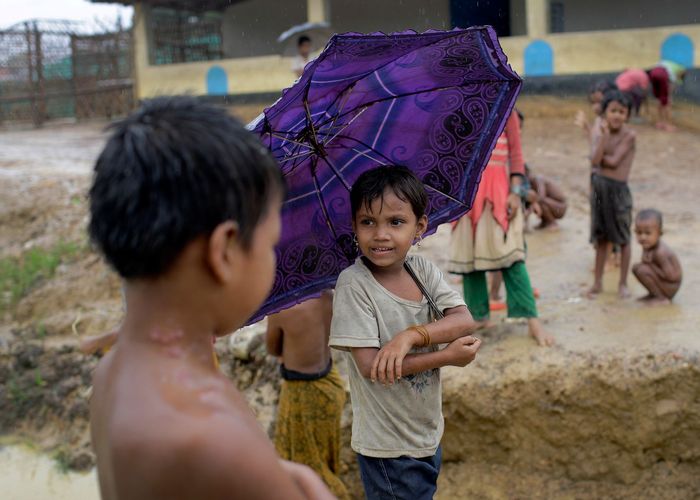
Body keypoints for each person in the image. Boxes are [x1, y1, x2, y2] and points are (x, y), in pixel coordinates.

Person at [87, 96, 333, 500]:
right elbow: (220, 459)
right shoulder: (212, 436)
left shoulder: (110, 374)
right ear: (224, 252)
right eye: (271, 244)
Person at [329, 166, 481, 500]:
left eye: (395, 222)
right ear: (354, 227)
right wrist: (446, 357)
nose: (380, 234)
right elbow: (372, 368)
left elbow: (463, 319)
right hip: (388, 446)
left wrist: (411, 335)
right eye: (368, 222)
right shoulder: (355, 284)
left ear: (420, 227)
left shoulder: (422, 270)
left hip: (425, 432)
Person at [449, 110, 554, 347]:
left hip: (499, 191)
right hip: (467, 191)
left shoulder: (507, 109)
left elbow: (516, 156)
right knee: (471, 261)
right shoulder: (460, 105)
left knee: (512, 258)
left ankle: (532, 320)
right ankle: (478, 317)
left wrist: (516, 194)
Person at [266, 291, 349, 499]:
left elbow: (272, 348)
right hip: (331, 385)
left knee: (307, 470)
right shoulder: (328, 296)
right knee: (324, 461)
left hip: (302, 393)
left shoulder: (282, 307)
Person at [587, 91, 636, 299]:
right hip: (600, 189)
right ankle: (597, 283)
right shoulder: (602, 133)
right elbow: (594, 161)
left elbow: (613, 161)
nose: (617, 115)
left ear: (627, 115)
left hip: (618, 190)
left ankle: (622, 284)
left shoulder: (629, 135)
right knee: (601, 239)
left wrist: (600, 155)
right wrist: (604, 139)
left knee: (623, 238)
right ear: (605, 113)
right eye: (613, 111)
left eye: (621, 112)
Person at [632, 209, 682, 304]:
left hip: (671, 286)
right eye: (639, 232)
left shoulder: (660, 252)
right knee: (637, 268)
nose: (643, 237)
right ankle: (654, 294)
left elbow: (672, 277)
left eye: (647, 233)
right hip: (665, 284)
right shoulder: (648, 245)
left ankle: (661, 298)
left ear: (659, 233)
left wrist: (651, 266)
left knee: (642, 270)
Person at [646, 60, 686, 132]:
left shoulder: (668, 65)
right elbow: (671, 87)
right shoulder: (680, 70)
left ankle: (660, 122)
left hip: (653, 73)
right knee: (667, 103)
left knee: (661, 101)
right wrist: (669, 96)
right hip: (662, 75)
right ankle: (668, 125)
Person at [525, 164, 567, 230]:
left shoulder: (538, 179)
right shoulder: (529, 184)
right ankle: (545, 222)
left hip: (559, 207)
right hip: (553, 205)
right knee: (533, 202)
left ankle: (552, 223)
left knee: (538, 202)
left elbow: (541, 197)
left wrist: (532, 205)